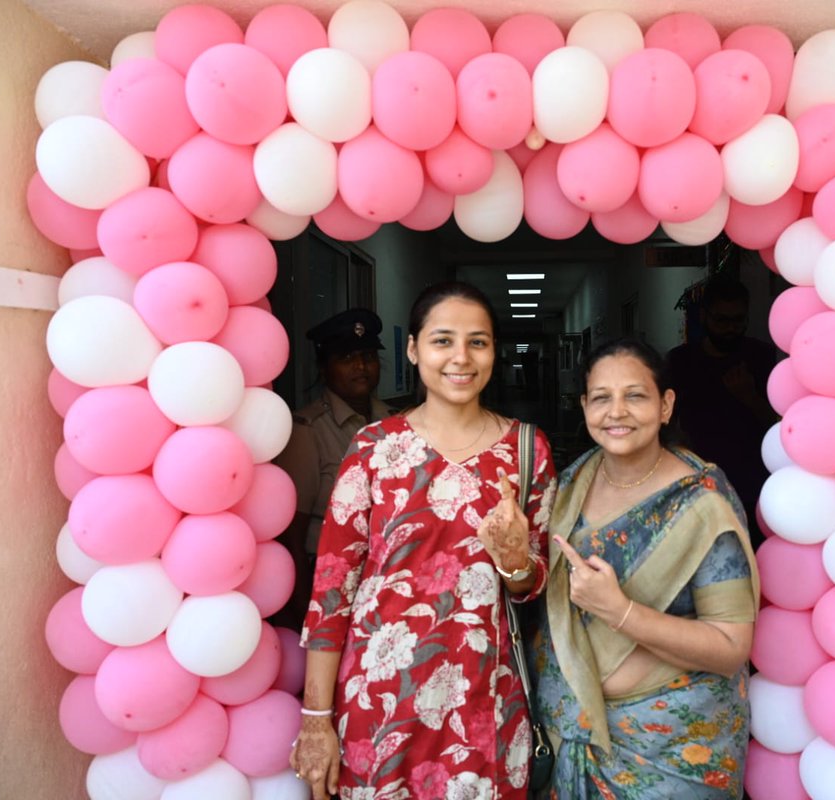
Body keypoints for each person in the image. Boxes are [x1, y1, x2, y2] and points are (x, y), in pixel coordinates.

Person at [290, 282, 557, 800]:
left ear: (494, 352)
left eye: (478, 342)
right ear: (413, 350)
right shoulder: (372, 448)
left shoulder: (526, 449)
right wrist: (316, 718)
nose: (461, 357)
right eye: (443, 341)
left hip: (486, 700)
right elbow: (331, 593)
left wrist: (516, 559)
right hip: (381, 697)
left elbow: (532, 587)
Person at [532, 337, 759, 799]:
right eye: (601, 398)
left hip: (675, 752)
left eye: (635, 395)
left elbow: (731, 647)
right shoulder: (571, 484)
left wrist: (620, 611)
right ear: (584, 406)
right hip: (574, 735)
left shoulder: (701, 501)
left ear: (665, 405)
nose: (617, 411)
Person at [275, 308, 395, 630]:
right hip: (329, 576)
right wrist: (303, 604)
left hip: (387, 575)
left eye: (368, 356)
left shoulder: (395, 422)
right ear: (324, 367)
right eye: (346, 357)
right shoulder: (307, 430)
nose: (361, 367)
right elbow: (292, 531)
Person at [666, 273, 777, 548]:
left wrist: (749, 396)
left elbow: (781, 428)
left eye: (738, 320)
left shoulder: (761, 357)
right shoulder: (681, 362)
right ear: (704, 316)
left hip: (753, 486)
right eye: (722, 320)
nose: (730, 328)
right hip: (698, 484)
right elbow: (665, 422)